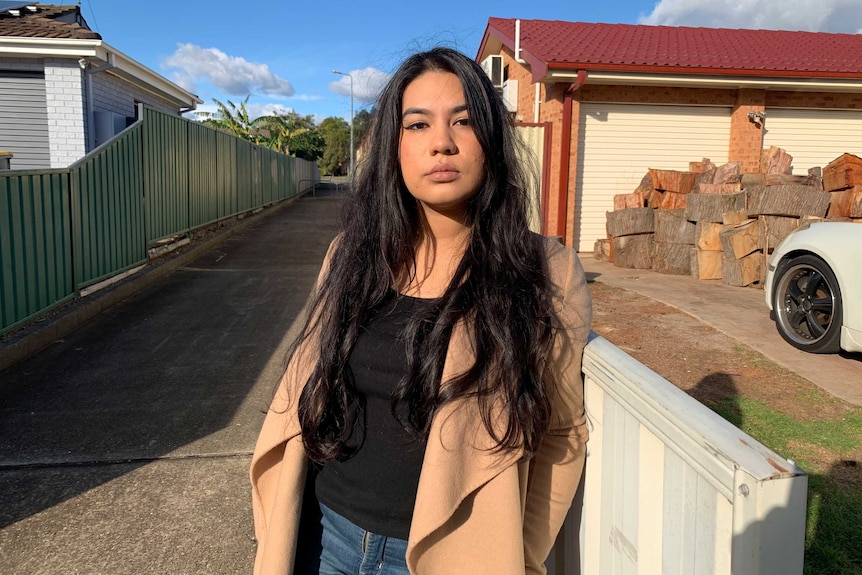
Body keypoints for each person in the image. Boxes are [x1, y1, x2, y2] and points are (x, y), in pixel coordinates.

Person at [250, 47, 592, 575]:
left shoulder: (543, 273)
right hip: (324, 537)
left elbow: (562, 433)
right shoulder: (350, 257)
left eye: (464, 120)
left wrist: (517, 555)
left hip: (451, 557)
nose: (442, 143)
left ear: (493, 141)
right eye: (418, 124)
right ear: (394, 148)